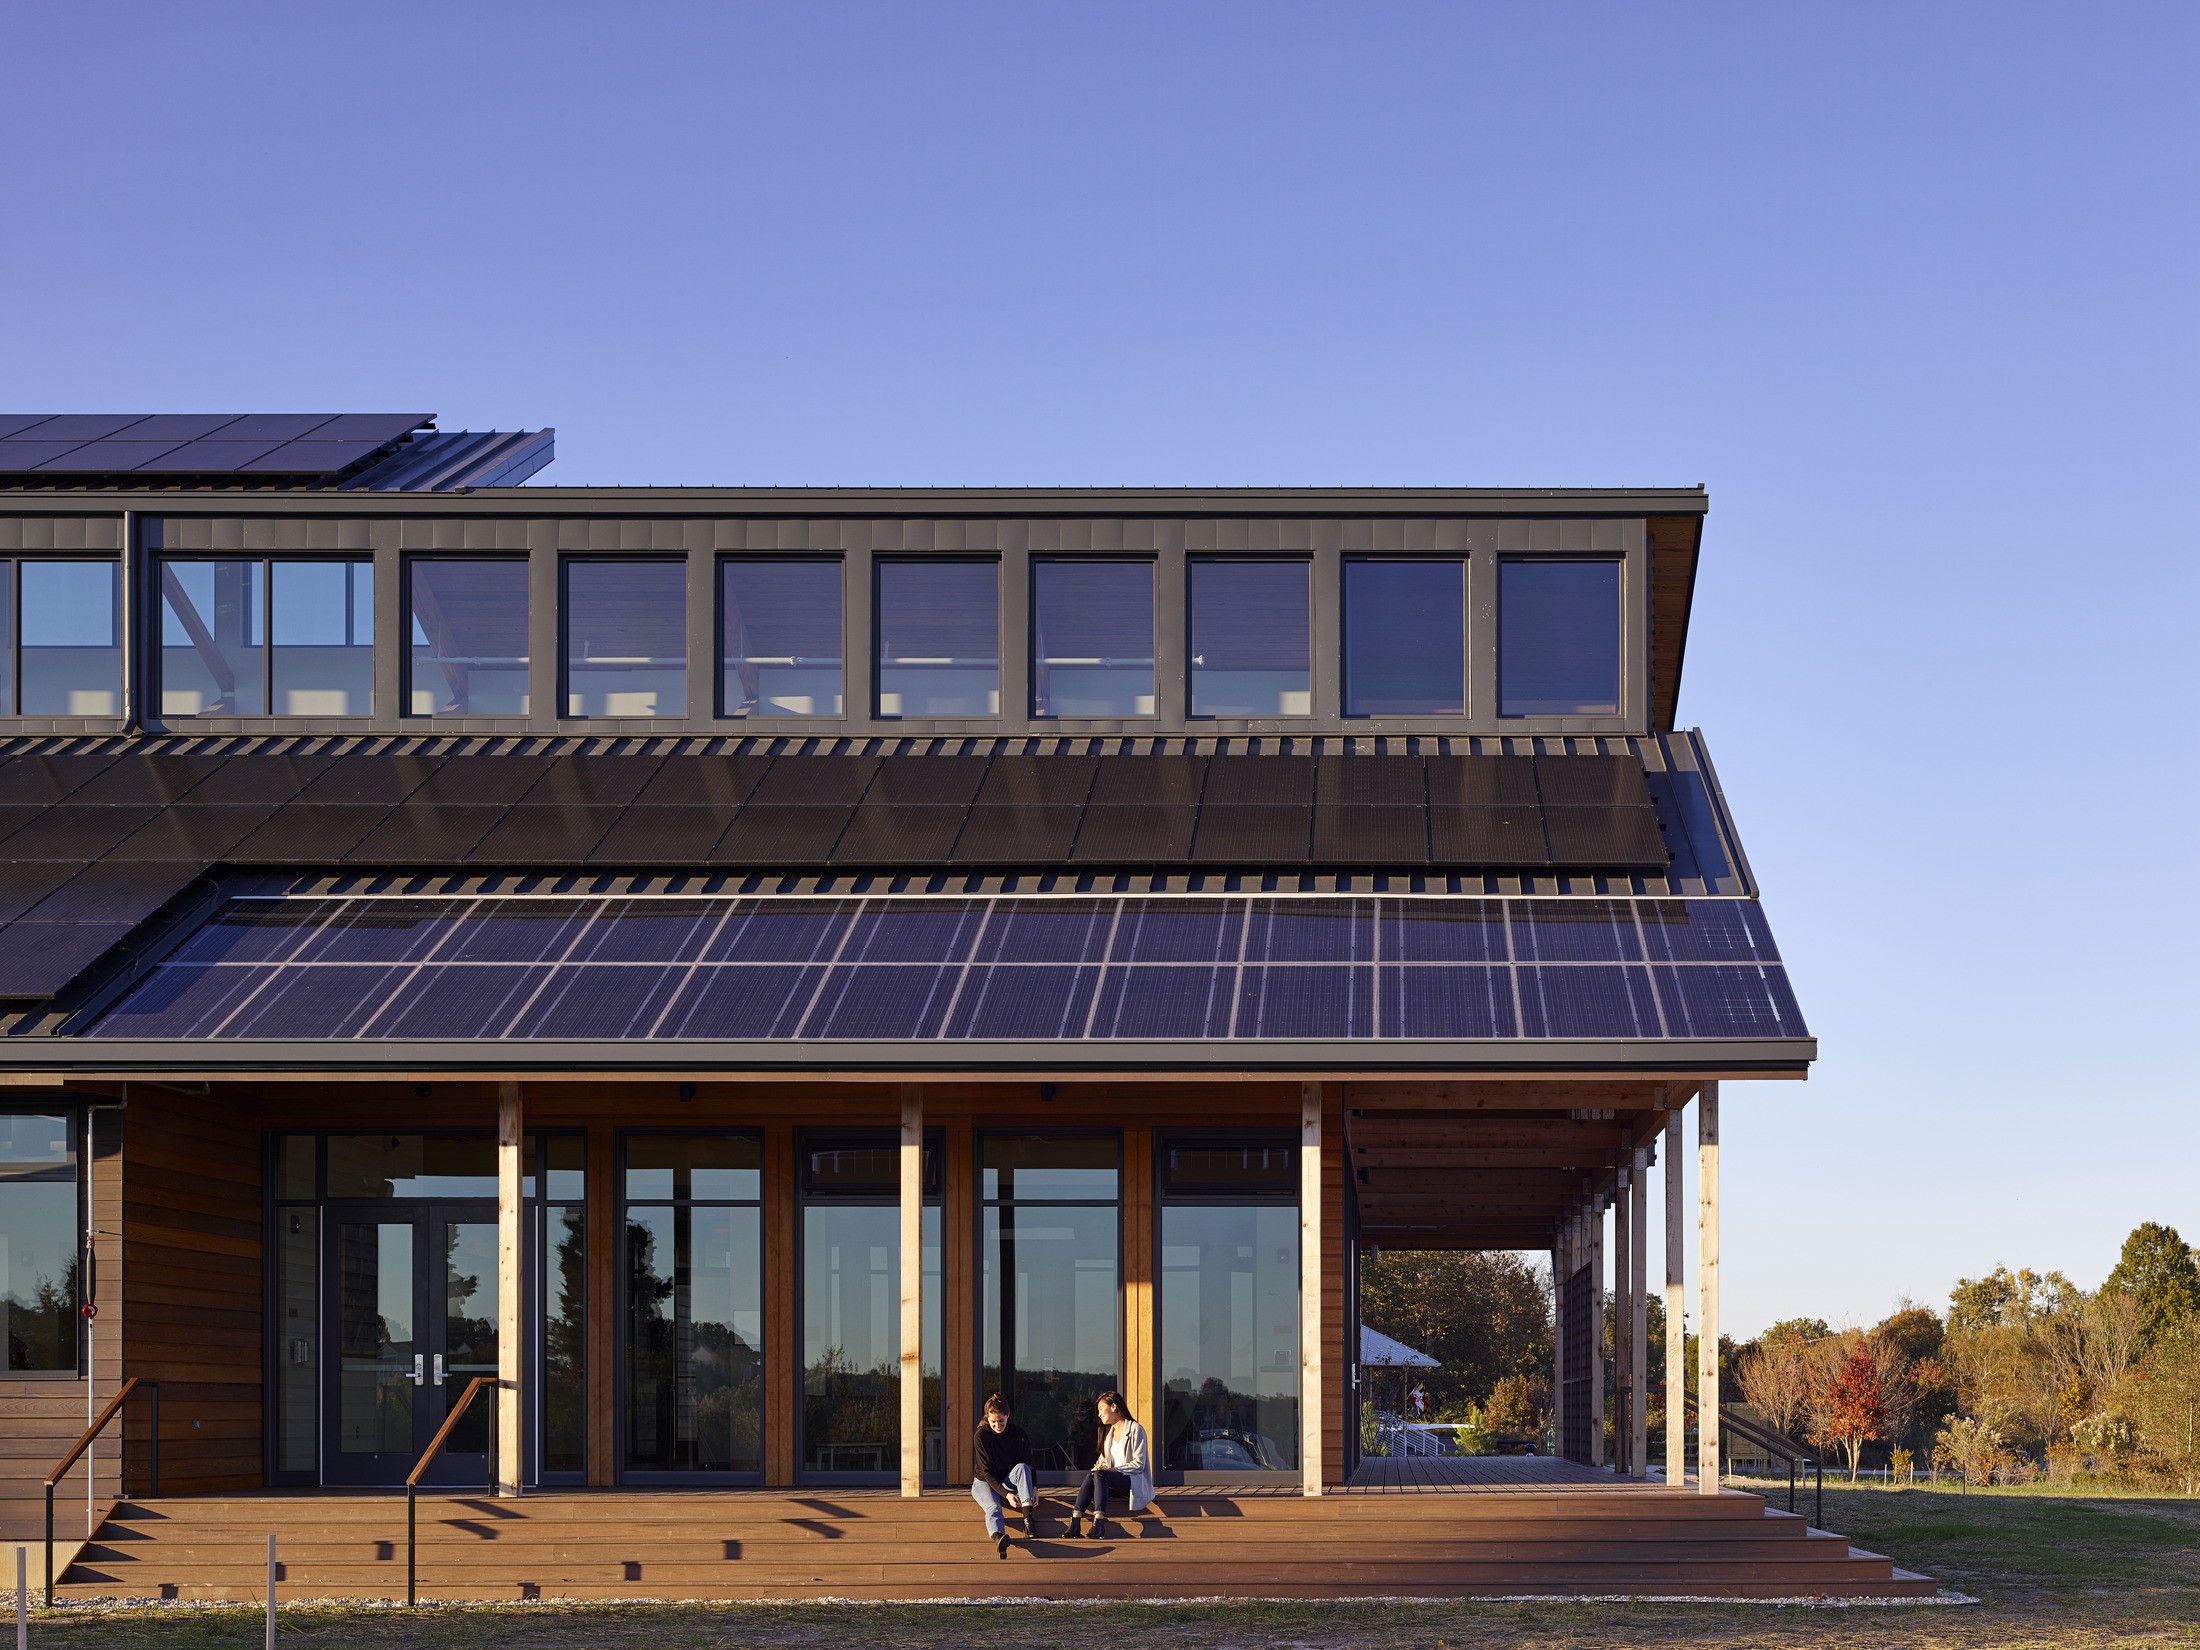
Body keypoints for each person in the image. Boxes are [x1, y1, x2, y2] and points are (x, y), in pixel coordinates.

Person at [1065, 1390, 1151, 1540]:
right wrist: (1100, 1466)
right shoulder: (1109, 1434)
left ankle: (1098, 1522)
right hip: (1111, 1482)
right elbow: (1104, 1461)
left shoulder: (1135, 1429)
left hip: (1131, 1482)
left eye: (1100, 1409)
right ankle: (1075, 1521)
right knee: (1093, 1473)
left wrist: (1111, 1469)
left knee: (1100, 1474)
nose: (1099, 1414)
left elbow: (1139, 1464)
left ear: (1113, 1406)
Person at [971, 1391, 1037, 1559]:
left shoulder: (1018, 1434)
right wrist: (1006, 1494)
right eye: (993, 1422)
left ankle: (1028, 1523)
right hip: (984, 1481)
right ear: (987, 1418)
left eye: (1001, 1420)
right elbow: (986, 1472)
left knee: (1022, 1468)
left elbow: (1029, 1461)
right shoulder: (981, 1436)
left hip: (1008, 1479)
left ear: (1008, 1415)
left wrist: (1034, 1487)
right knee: (993, 1508)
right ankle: (999, 1537)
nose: (997, 1425)